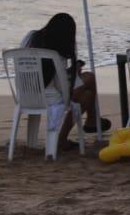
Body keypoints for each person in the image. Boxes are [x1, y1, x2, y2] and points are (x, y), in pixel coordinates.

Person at [25, 13, 106, 146]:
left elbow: (46, 73)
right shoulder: (57, 52)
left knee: (88, 94)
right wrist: (75, 74)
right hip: (49, 98)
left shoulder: (31, 36)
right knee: (90, 79)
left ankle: (90, 121)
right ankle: (85, 124)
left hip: (26, 93)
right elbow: (60, 87)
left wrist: (68, 73)